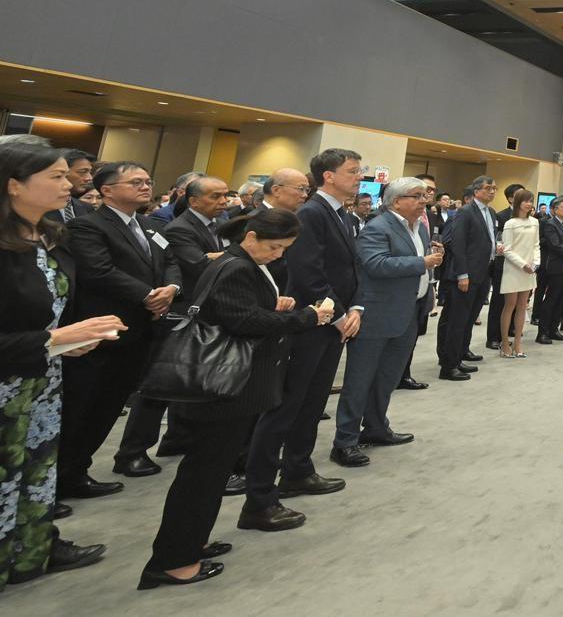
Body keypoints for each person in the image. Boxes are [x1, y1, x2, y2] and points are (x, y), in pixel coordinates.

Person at [139, 208, 334, 590]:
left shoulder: (239, 262)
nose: (279, 255)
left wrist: (273, 307)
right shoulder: (237, 267)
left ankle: (193, 542)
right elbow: (245, 323)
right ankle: (174, 561)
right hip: (224, 391)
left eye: (285, 249)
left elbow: (240, 311)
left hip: (233, 389)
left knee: (209, 473)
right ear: (252, 237)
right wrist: (310, 318)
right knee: (202, 475)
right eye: (275, 247)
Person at [1, 139, 124, 590]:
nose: (70, 184)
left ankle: (32, 549)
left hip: (41, 379)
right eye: (55, 176)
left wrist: (64, 344)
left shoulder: (48, 235)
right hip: (7, 385)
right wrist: (53, 339)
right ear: (13, 185)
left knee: (35, 470)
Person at [238, 148, 362, 533]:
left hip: (331, 321)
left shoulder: (340, 214)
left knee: (311, 402)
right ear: (328, 176)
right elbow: (309, 274)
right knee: (285, 407)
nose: (360, 178)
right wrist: (341, 315)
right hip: (310, 323)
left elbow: (345, 269)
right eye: (353, 171)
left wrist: (354, 308)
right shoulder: (312, 214)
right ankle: (260, 496)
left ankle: (297, 469)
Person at [59, 162, 180, 502]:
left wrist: (170, 288)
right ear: (107, 190)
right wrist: (147, 295)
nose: (145, 187)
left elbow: (170, 260)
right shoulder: (88, 226)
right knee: (83, 406)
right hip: (101, 332)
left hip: (141, 330)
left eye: (148, 181)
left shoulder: (148, 225)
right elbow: (99, 270)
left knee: (109, 407)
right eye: (136, 182)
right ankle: (60, 477)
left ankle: (76, 472)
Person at [115, 175, 231, 478]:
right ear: (193, 201)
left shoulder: (216, 226)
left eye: (224, 196)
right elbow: (199, 264)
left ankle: (175, 439)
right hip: (179, 315)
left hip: (203, 313)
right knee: (158, 387)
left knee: (187, 383)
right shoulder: (179, 228)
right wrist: (238, 256)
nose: (223, 202)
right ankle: (132, 452)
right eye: (215, 197)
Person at [335, 178, 441, 454]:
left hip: (408, 311)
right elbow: (374, 263)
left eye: (425, 195)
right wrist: (422, 263)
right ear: (396, 201)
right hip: (377, 313)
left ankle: (376, 427)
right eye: (416, 196)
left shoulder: (419, 228)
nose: (423, 201)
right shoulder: (378, 227)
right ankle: (345, 441)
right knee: (359, 380)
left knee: (387, 377)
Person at [436, 177, 497, 380]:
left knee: (470, 318)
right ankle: (448, 365)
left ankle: (461, 353)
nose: (492, 192)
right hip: (466, 275)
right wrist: (462, 274)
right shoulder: (465, 211)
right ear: (476, 191)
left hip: (483, 272)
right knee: (457, 320)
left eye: (494, 188)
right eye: (488, 188)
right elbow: (458, 245)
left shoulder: (490, 212)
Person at [400, 175, 440, 390]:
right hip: (403, 290)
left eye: (430, 192)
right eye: (421, 193)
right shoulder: (388, 223)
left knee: (414, 335)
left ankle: (404, 373)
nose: (426, 197)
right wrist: (422, 261)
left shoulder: (427, 219)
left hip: (424, 284)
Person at [498, 189, 539, 358]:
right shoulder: (510, 223)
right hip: (514, 269)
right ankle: (505, 343)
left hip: (530, 268)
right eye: (526, 201)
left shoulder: (535, 222)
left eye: (531, 201)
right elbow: (507, 249)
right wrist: (523, 264)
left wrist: (535, 263)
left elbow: (536, 245)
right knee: (510, 305)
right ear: (517, 203)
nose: (529, 204)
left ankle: (517, 343)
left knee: (523, 306)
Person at [535, 197, 563, 345]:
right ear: (555, 209)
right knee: (551, 300)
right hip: (555, 267)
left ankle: (554, 329)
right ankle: (542, 332)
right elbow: (555, 245)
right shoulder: (550, 224)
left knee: (561, 300)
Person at [485, 183, 523, 352]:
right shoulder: (501, 216)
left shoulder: (529, 218)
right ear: (510, 198)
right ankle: (493, 337)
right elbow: (496, 240)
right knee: (500, 302)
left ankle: (509, 332)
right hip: (504, 263)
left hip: (522, 265)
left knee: (517, 302)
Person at [57, 150, 96, 223]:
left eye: (90, 172)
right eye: (82, 172)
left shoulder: (87, 208)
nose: (89, 178)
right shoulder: (37, 206)